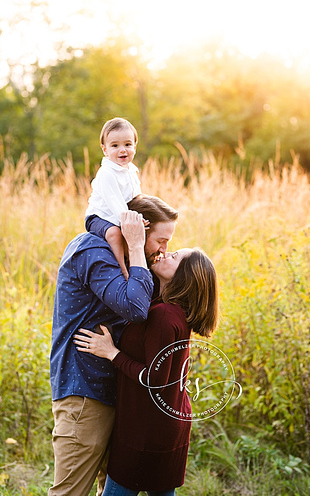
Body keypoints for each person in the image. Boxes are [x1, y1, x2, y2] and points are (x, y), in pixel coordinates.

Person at [50, 194, 179, 496]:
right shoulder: (93, 251)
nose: (164, 250)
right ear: (138, 230)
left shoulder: (134, 261)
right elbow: (135, 307)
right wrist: (135, 246)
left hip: (117, 390)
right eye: (161, 241)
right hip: (84, 389)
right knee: (71, 492)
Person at [74, 248, 219, 496]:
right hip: (163, 423)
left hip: (147, 431)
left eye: (174, 257)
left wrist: (111, 353)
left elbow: (155, 380)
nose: (165, 255)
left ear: (184, 276)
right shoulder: (165, 307)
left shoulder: (163, 315)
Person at [85, 117, 142, 281]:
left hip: (123, 215)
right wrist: (130, 222)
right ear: (105, 150)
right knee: (115, 233)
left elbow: (136, 197)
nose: (122, 150)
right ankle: (123, 271)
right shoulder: (107, 173)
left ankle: (137, 262)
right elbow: (115, 203)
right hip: (100, 217)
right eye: (115, 146)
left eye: (128, 144)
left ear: (135, 146)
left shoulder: (131, 170)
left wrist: (141, 215)